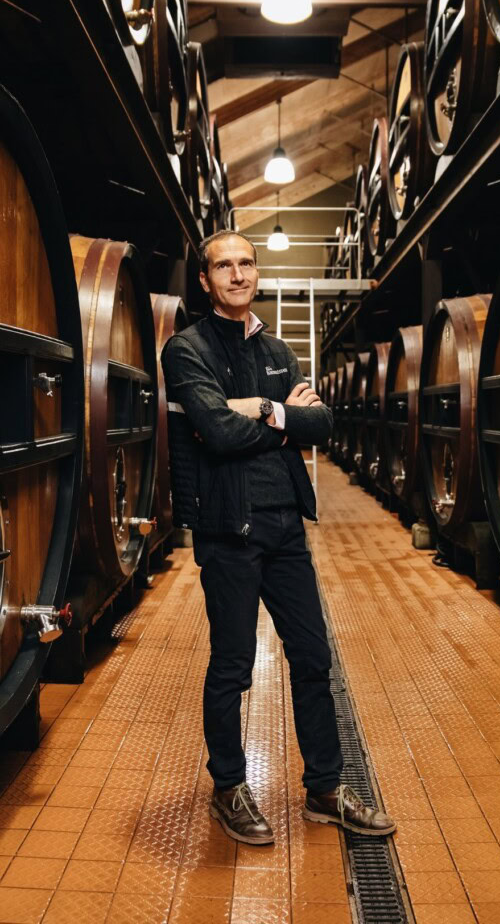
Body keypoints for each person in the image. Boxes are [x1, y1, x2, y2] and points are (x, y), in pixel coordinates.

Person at [161, 229, 396, 845]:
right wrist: (277, 417)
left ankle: (324, 788)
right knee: (233, 667)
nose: (237, 274)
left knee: (313, 659)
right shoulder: (185, 350)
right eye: (224, 266)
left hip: (286, 527)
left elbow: (322, 421)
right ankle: (229, 787)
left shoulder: (281, 350)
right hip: (228, 530)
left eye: (246, 263)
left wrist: (261, 409)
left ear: (256, 273)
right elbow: (215, 432)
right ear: (206, 280)